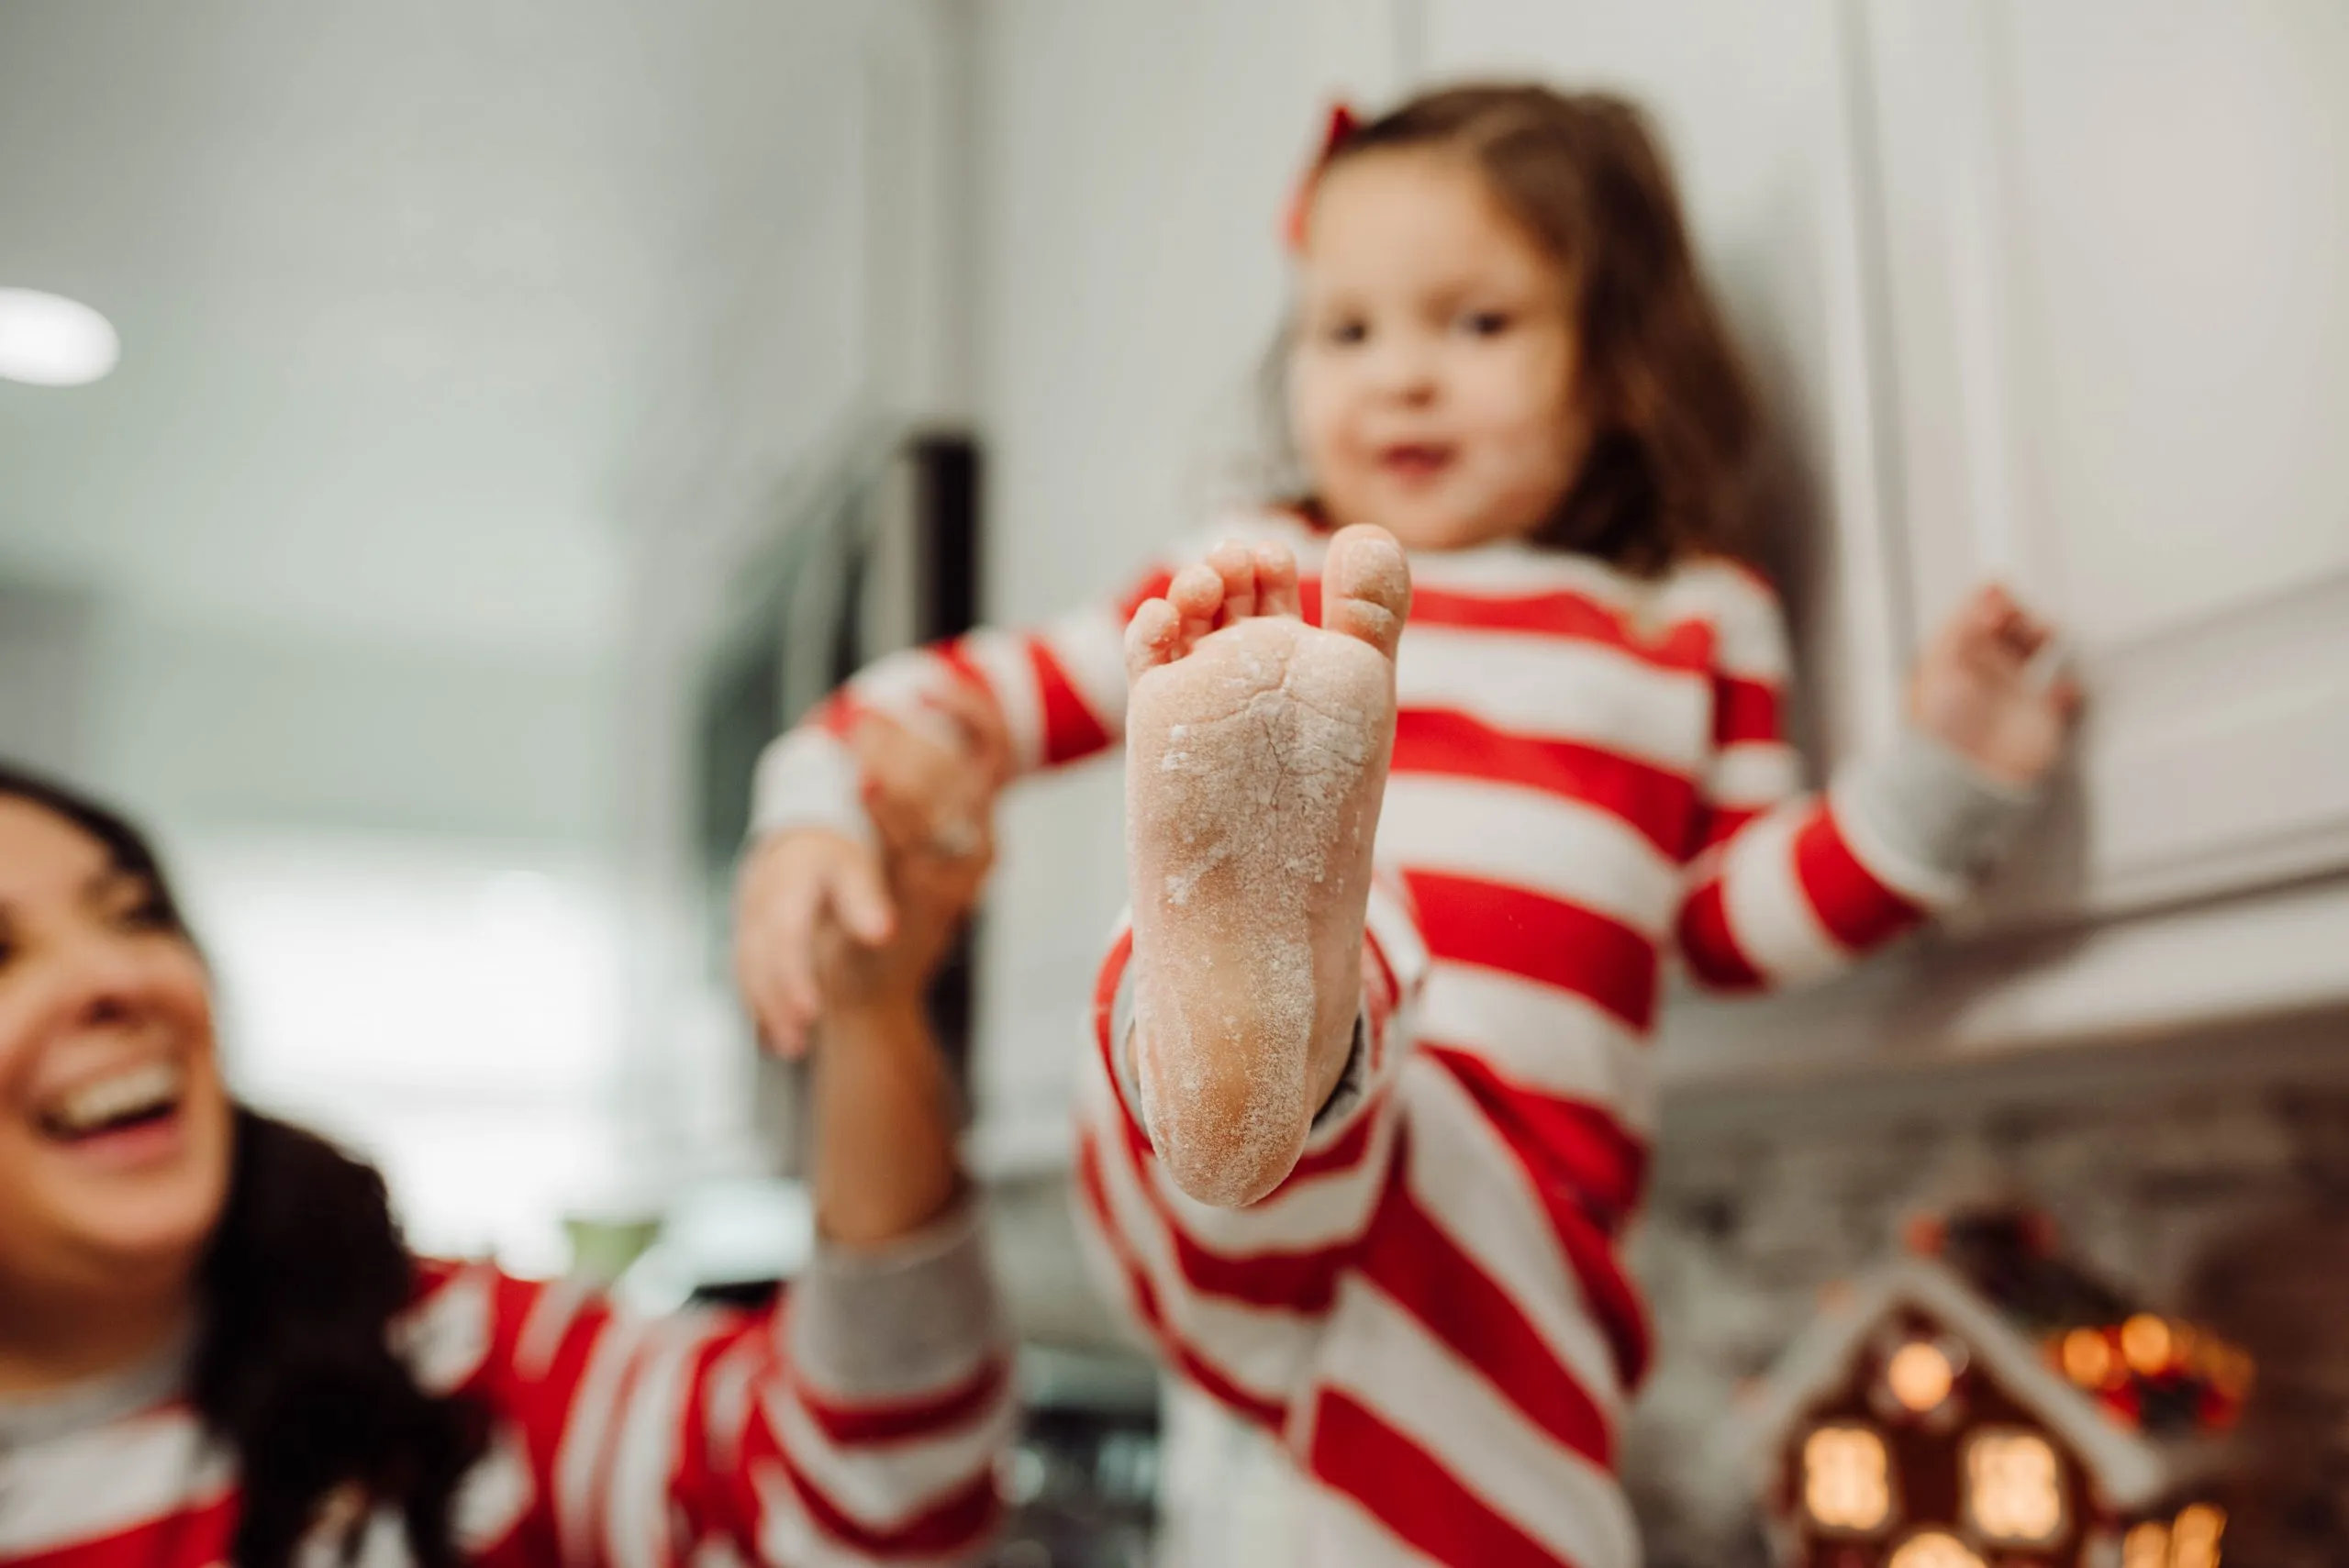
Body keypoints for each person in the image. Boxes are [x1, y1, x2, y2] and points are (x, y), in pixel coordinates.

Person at [741, 85, 2079, 1566]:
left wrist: (1945, 779)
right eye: (1347, 332)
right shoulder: (1253, 583)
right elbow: (973, 699)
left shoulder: (1690, 619)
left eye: (1478, 323)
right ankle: (1266, 990)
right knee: (1316, 936)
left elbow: (1728, 917)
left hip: (1500, 1243)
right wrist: (816, 806)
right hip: (1238, 1203)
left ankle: (1274, 981)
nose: (1402, 380)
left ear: (1617, 357)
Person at [0, 759, 1008, 1568]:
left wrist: (869, 1006)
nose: (113, 975)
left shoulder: (442, 1358)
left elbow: (877, 1498)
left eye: (132, 913)